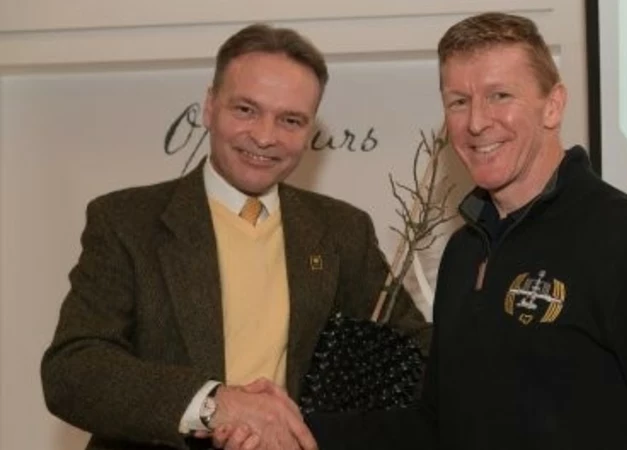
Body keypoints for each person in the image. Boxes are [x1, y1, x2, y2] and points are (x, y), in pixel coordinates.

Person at [303, 11, 627, 450]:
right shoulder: (464, 251)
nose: (477, 122)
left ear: (552, 105)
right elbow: (439, 425)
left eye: (500, 96)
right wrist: (300, 432)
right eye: (459, 101)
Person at [40, 23, 430, 450]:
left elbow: (412, 355)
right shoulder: (125, 221)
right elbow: (73, 371)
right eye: (246, 109)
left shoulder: (342, 230)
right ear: (209, 106)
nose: (265, 136)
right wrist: (213, 403)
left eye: (290, 120)